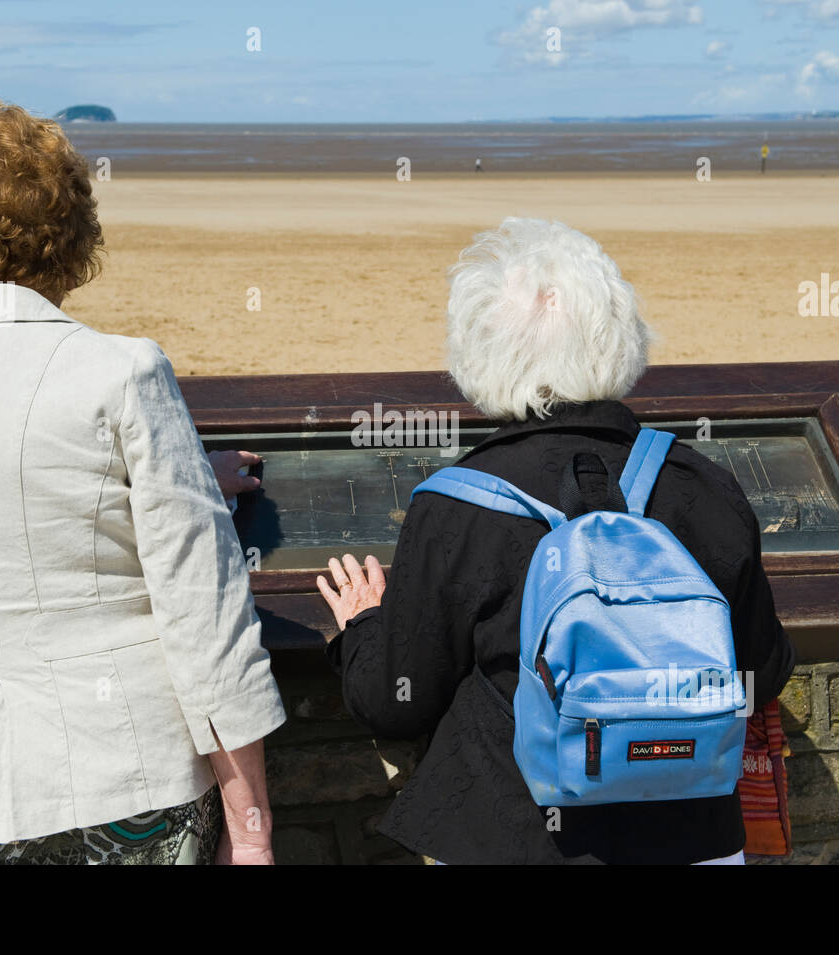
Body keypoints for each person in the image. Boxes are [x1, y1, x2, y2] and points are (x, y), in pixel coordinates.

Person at [0, 97, 284, 865]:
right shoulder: (123, 372)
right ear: (68, 230)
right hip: (127, 776)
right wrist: (250, 828)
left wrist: (183, 478)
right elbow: (203, 613)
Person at [317, 217, 795, 864]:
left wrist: (361, 628)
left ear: (478, 352)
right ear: (622, 337)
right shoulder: (704, 485)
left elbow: (397, 702)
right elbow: (759, 673)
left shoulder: (457, 504)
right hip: (693, 839)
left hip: (514, 839)